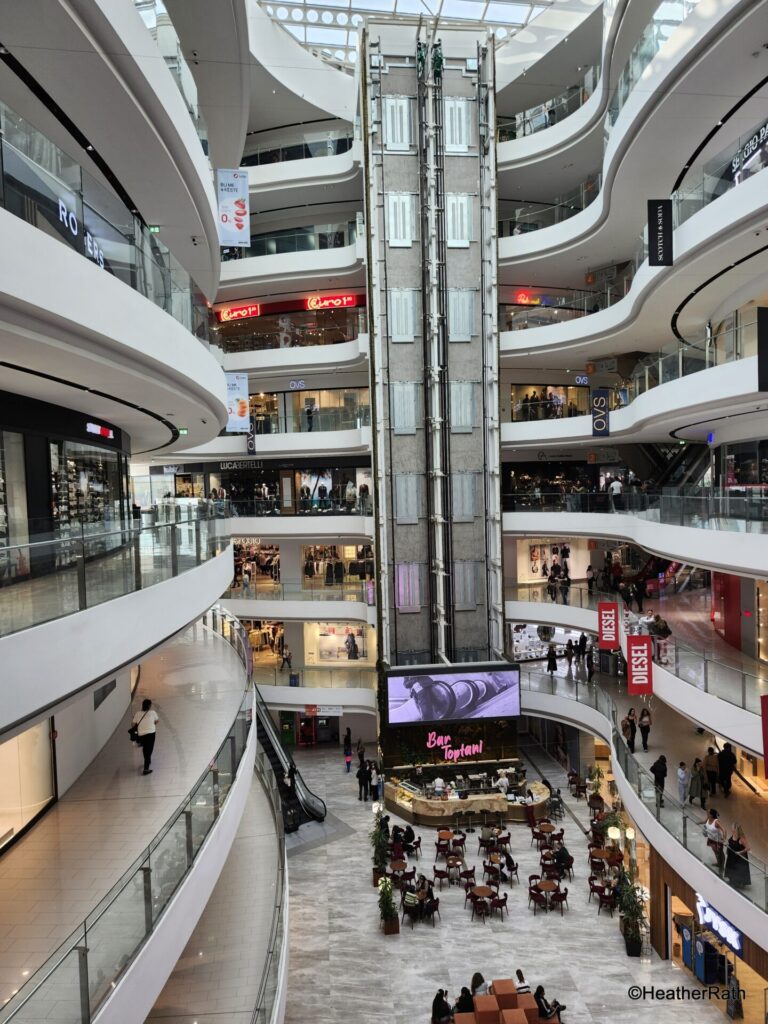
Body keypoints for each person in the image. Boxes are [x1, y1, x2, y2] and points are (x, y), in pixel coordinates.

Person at [132, 698, 159, 775]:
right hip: (151, 733)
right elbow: (157, 721)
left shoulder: (137, 713)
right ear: (149, 706)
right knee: (149, 749)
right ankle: (146, 768)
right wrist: (150, 723)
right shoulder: (153, 712)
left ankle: (148, 760)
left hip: (141, 734)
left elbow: (133, 724)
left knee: (145, 748)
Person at [725, 823, 751, 888]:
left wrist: (740, 852)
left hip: (738, 858)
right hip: (731, 856)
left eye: (732, 827)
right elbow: (731, 842)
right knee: (731, 868)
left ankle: (737, 883)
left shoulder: (741, 838)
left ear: (735, 829)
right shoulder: (733, 835)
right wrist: (728, 846)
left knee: (737, 870)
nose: (731, 827)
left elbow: (748, 848)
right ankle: (732, 881)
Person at [704, 808, 726, 875]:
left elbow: (724, 829)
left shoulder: (716, 822)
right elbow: (704, 822)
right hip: (711, 839)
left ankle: (722, 866)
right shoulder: (708, 819)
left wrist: (724, 838)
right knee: (715, 852)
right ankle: (718, 863)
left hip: (717, 841)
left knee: (720, 853)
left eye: (708, 812)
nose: (707, 812)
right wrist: (698, 823)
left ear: (711, 815)